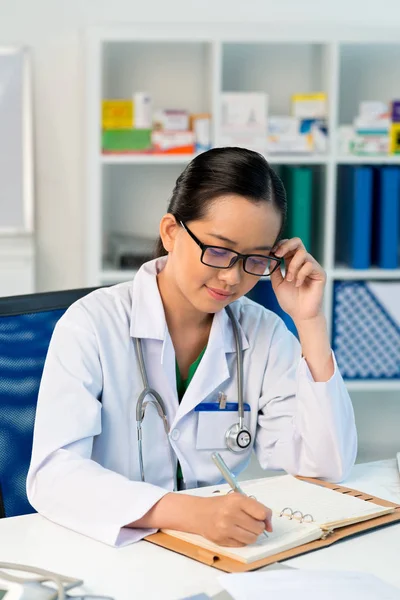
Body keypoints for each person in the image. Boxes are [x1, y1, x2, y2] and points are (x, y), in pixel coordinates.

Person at [27, 147, 357, 548]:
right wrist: (189, 513)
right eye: (218, 250)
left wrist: (310, 322)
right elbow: (53, 475)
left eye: (254, 259)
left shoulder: (263, 333)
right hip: (109, 548)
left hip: (210, 553)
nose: (232, 277)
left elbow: (326, 467)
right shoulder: (92, 325)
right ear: (170, 232)